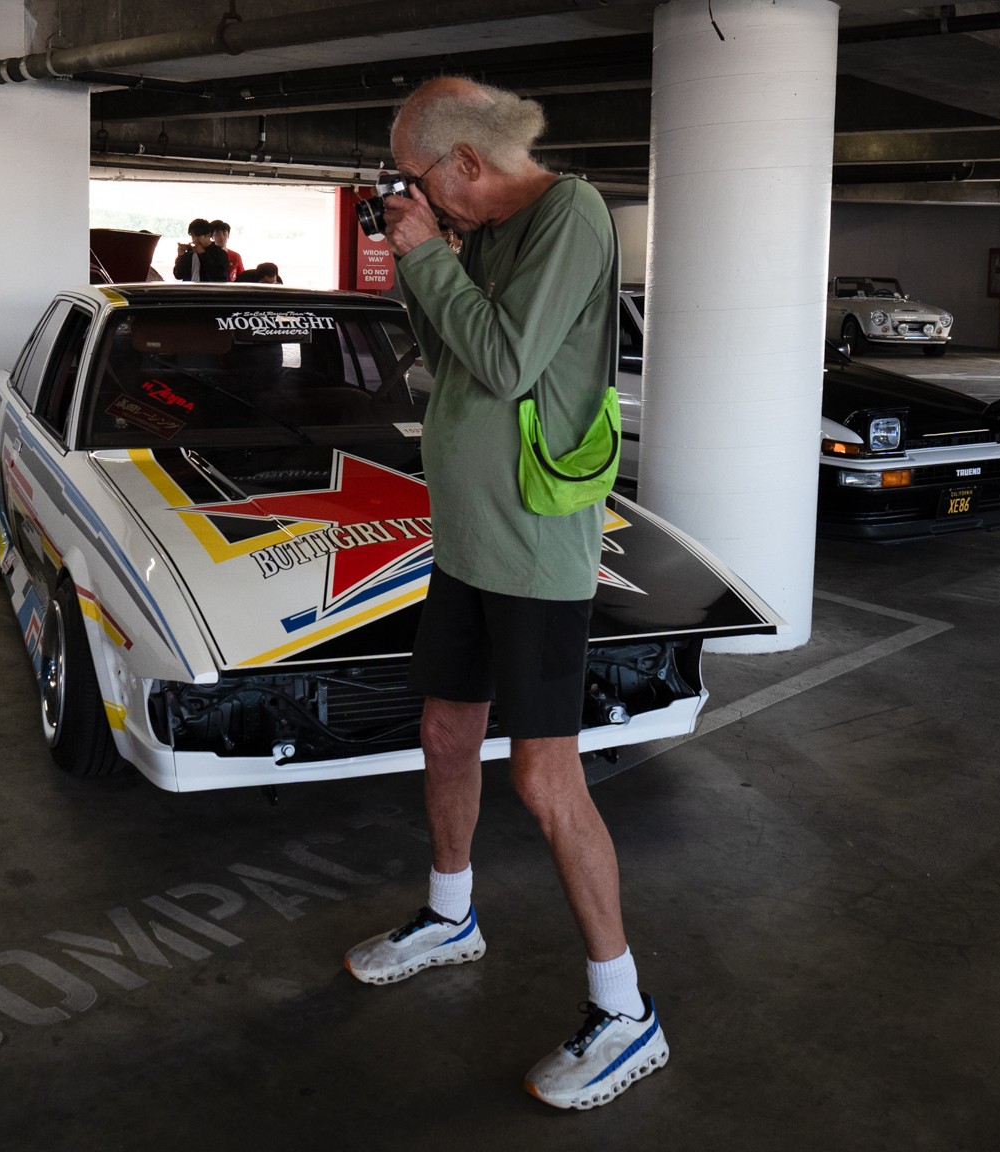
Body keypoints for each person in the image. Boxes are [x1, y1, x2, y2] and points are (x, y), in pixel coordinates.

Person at [339, 77, 665, 1111]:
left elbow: (505, 361)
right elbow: (447, 359)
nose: (420, 194)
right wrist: (423, 259)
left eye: (422, 177)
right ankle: (449, 915)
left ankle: (624, 1013)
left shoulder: (568, 216)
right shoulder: (479, 237)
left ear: (467, 163)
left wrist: (427, 252)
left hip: (533, 547)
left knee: (543, 777)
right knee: (444, 731)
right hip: (469, 541)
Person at [172, 218, 230, 283]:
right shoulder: (190, 252)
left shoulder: (219, 253)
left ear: (208, 234)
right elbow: (178, 275)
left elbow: (219, 275)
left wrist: (203, 253)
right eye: (193, 236)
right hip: (189, 291)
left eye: (198, 236)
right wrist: (180, 255)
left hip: (211, 292)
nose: (195, 239)